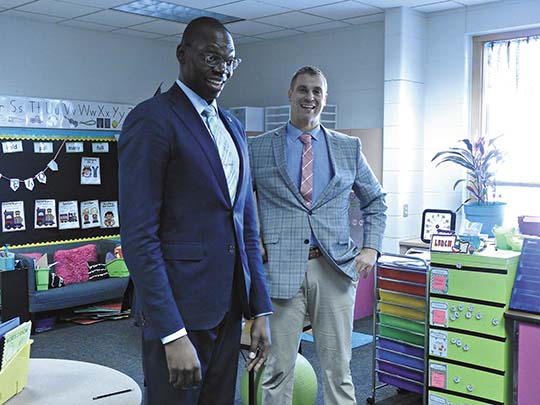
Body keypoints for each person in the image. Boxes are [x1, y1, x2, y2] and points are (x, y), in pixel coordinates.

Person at [118, 17, 272, 405]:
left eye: (230, 60)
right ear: (182, 55)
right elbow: (139, 236)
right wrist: (171, 332)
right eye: (211, 57)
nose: (222, 68)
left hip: (228, 309)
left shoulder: (233, 127)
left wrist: (260, 309)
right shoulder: (152, 119)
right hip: (180, 314)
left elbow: (245, 225)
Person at [248, 66, 387, 405]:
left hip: (334, 269)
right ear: (290, 94)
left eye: (317, 92)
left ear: (324, 98)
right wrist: (256, 243)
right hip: (281, 270)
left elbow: (376, 200)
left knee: (338, 370)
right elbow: (238, 206)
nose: (309, 97)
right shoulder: (259, 147)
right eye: (303, 90)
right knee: (277, 368)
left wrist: (370, 248)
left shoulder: (348, 147)